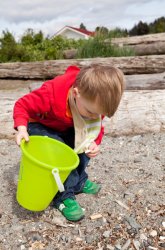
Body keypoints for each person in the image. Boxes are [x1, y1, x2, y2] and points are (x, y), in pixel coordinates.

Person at [13, 64, 125, 221]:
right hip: (41, 124)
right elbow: (22, 105)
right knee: (62, 154)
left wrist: (94, 143)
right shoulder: (51, 94)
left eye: (100, 114)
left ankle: (78, 181)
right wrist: (22, 128)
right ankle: (63, 197)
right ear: (76, 93)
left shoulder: (94, 105)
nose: (95, 117)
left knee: (82, 147)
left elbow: (95, 126)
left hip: (69, 124)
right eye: (92, 112)